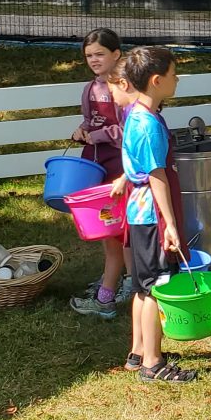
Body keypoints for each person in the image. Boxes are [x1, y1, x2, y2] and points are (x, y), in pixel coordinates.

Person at [120, 46, 196, 383]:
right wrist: (172, 226)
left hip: (138, 214)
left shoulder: (135, 113)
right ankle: (153, 363)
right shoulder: (148, 125)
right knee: (156, 287)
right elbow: (157, 176)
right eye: (173, 74)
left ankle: (138, 351)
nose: (177, 79)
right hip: (151, 215)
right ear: (156, 80)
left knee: (141, 285)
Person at [69, 29, 135, 318]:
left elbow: (127, 131)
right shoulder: (89, 89)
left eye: (99, 54)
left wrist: (97, 135)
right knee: (107, 224)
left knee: (120, 227)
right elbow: (89, 120)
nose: (93, 60)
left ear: (116, 54)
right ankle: (119, 279)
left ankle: (120, 288)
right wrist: (82, 131)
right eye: (88, 56)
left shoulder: (123, 88)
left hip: (120, 164)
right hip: (98, 162)